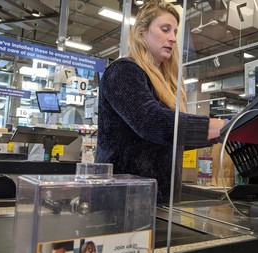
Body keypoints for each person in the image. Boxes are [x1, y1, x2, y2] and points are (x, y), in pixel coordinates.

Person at [95, 0, 227, 204]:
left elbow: (166, 141)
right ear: (141, 32)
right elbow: (151, 122)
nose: (173, 38)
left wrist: (219, 137)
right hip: (120, 204)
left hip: (158, 202)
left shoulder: (165, 83)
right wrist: (220, 127)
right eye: (165, 29)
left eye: (175, 32)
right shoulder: (123, 71)